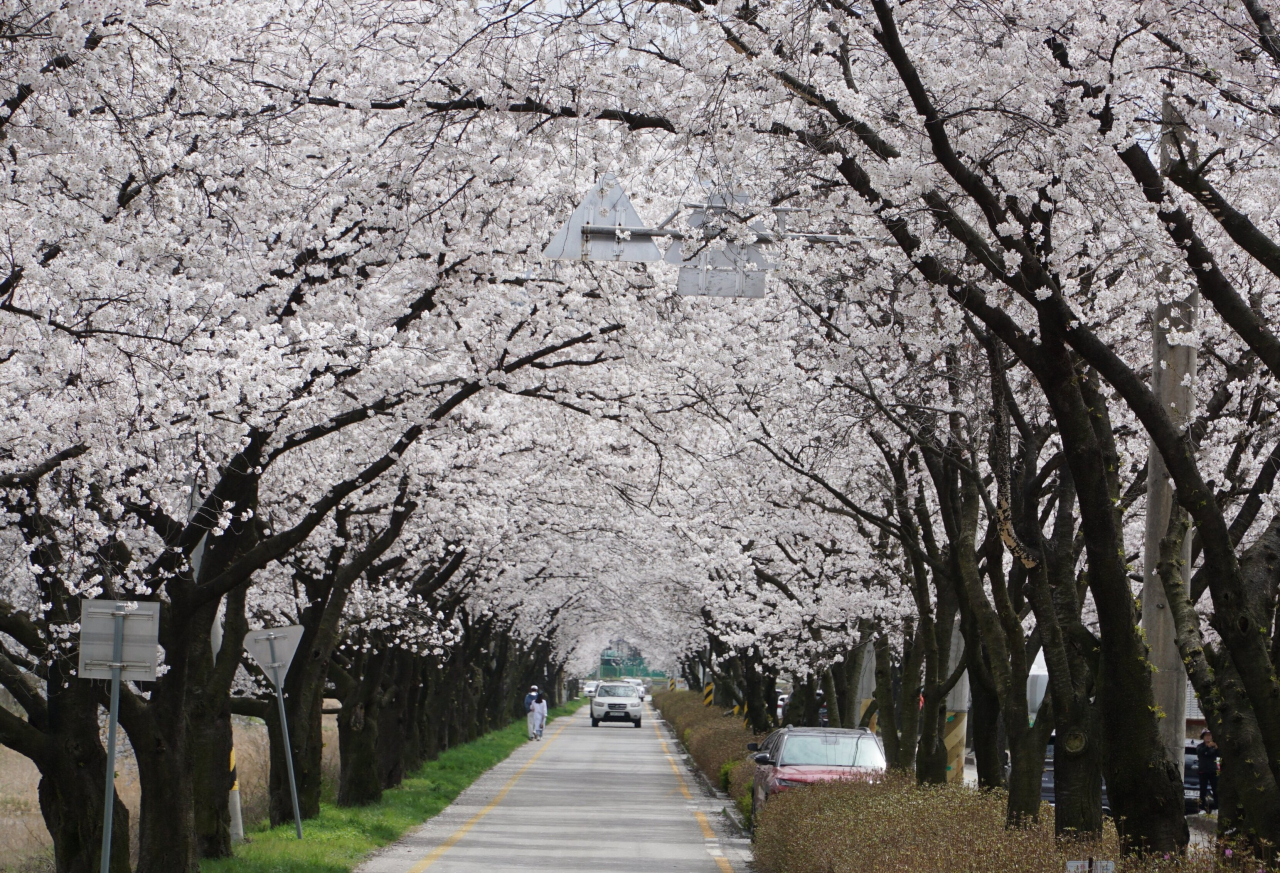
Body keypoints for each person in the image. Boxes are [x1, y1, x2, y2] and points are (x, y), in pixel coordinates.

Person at [1196, 729, 1219, 812]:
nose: (1208, 737)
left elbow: (1219, 754)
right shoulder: (1200, 746)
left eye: (1209, 735)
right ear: (1203, 737)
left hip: (1213, 771)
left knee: (1216, 790)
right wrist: (1207, 747)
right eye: (1206, 735)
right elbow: (1201, 752)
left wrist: (1216, 748)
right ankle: (1201, 808)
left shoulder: (1214, 747)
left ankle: (1217, 808)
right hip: (1203, 771)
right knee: (1203, 791)